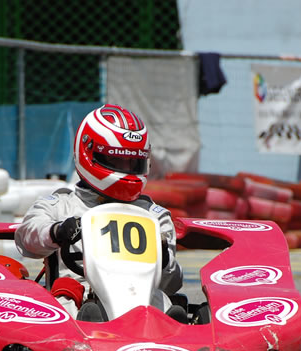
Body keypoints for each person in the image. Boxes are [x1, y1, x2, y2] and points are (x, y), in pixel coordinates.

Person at [15, 104, 184, 322]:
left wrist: (165, 259)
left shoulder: (155, 216)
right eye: (117, 160)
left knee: (161, 298)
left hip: (138, 297)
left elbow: (172, 283)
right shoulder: (61, 205)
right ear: (89, 153)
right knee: (65, 295)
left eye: (132, 161)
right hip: (79, 293)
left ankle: (173, 333)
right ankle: (85, 330)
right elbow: (25, 238)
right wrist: (57, 232)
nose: (126, 167)